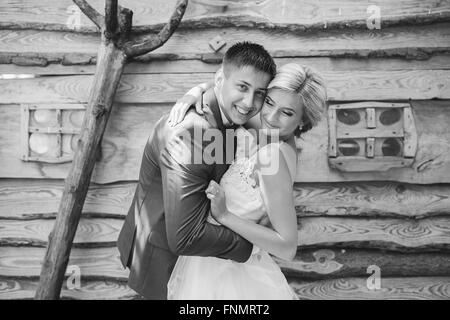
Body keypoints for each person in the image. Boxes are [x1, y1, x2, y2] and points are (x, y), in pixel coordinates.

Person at [116, 42, 276, 299]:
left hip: (203, 259)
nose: (249, 103)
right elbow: (185, 237)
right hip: (165, 258)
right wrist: (255, 243)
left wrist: (200, 88)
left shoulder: (227, 114)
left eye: (259, 93)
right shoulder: (191, 135)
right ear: (220, 79)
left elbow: (276, 131)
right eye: (242, 87)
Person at [166, 63, 327, 299]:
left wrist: (224, 216)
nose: (271, 116)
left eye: (287, 113)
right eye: (269, 102)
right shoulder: (272, 133)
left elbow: (287, 246)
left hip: (231, 273)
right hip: (217, 261)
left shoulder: (271, 155)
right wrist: (193, 93)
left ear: (303, 122)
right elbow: (227, 84)